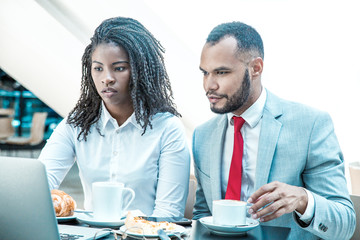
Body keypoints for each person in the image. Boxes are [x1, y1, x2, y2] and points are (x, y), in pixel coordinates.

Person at [192, 21, 355, 239]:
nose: (209, 85)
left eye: (221, 72)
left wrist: (303, 199)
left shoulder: (310, 125)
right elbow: (203, 216)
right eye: (205, 73)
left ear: (256, 68)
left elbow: (344, 224)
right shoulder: (202, 136)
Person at [39, 17, 190, 217]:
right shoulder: (76, 124)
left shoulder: (167, 128)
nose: (107, 78)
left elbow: (168, 213)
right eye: (98, 68)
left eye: (119, 68)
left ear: (141, 71)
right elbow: (39, 184)